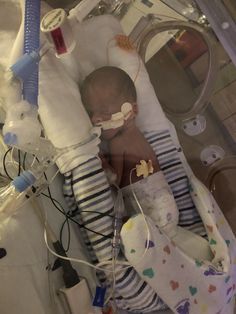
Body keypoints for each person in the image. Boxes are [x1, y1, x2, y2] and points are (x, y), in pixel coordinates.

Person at [81, 66, 179, 237]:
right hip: (167, 205)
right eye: (91, 112)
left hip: (152, 213)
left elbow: (114, 179)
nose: (94, 119)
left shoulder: (118, 143)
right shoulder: (138, 136)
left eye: (104, 111)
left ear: (132, 110)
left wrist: (100, 160)